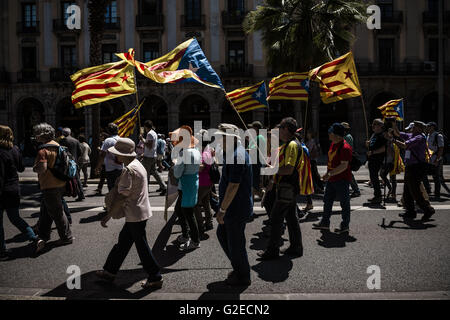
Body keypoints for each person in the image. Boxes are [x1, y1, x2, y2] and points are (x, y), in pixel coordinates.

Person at [96, 138, 163, 289]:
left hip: (134, 214)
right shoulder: (138, 164)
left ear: (123, 155)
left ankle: (155, 276)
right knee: (124, 242)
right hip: (141, 211)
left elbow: (121, 196)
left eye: (117, 154)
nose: (115, 157)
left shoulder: (128, 170)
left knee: (141, 247)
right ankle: (110, 271)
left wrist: (108, 215)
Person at [258, 117, 303, 260]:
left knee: (276, 219)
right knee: (291, 218)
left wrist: (273, 169)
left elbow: (289, 169)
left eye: (280, 129)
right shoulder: (291, 144)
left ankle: (272, 251)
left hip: (287, 186)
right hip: (288, 186)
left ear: (285, 129)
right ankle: (296, 247)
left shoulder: (292, 145)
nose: (278, 132)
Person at [215, 123, 253, 286]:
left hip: (235, 208)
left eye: (220, 137)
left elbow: (233, 185)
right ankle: (239, 267)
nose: (218, 141)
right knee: (223, 234)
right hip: (235, 206)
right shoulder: (233, 153)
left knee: (235, 243)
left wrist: (222, 209)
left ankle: (243, 276)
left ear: (229, 138)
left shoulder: (236, 155)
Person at [0, 125, 44, 260]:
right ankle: (34, 238)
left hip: (3, 191)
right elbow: (21, 168)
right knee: (15, 218)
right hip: (14, 189)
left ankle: (2, 251)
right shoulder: (15, 149)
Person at [32, 123, 73, 249]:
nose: (35, 136)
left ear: (41, 135)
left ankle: (66, 237)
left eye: (36, 133)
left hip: (49, 185)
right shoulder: (58, 146)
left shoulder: (43, 150)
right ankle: (43, 234)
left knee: (57, 213)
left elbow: (42, 169)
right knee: (46, 211)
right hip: (60, 183)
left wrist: (35, 168)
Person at [313, 123, 352, 234]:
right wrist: (327, 174)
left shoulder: (345, 147)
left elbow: (344, 165)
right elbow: (331, 163)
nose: (329, 134)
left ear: (338, 135)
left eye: (331, 132)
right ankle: (325, 223)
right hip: (332, 179)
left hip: (342, 180)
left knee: (344, 203)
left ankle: (345, 225)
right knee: (327, 201)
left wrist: (329, 174)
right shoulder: (333, 144)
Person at [392, 121, 435, 221]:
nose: (412, 128)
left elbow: (404, 145)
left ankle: (427, 209)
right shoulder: (412, 135)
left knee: (415, 191)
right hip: (410, 167)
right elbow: (398, 133)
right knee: (407, 190)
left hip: (416, 167)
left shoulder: (419, 137)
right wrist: (394, 124)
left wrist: (393, 140)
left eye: (414, 127)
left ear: (420, 128)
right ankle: (410, 212)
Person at [172, 125, 201, 251]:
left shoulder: (184, 153)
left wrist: (174, 167)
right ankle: (186, 235)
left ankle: (195, 240)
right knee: (179, 210)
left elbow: (177, 173)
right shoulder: (196, 150)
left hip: (185, 185)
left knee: (188, 213)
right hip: (192, 183)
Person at [193, 129, 214, 234]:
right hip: (207, 182)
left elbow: (201, 168)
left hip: (203, 182)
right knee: (206, 202)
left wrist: (190, 166)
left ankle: (200, 225)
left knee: (195, 204)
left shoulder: (204, 152)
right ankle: (209, 222)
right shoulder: (207, 150)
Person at [140, 120, 166, 195]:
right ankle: (164, 187)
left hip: (148, 157)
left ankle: (145, 190)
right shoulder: (153, 133)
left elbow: (149, 145)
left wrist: (142, 139)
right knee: (155, 173)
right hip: (152, 155)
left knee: (146, 174)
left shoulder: (150, 134)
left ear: (145, 126)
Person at [95, 123, 123, 192]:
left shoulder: (108, 141)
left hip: (111, 169)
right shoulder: (121, 139)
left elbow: (102, 155)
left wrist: (98, 167)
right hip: (120, 168)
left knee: (112, 189)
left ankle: (113, 202)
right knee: (119, 189)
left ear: (109, 131)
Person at [365, 119, 387, 204]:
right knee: (373, 178)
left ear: (380, 126)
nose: (373, 126)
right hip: (371, 159)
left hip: (377, 159)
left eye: (375, 124)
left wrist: (373, 152)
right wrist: (368, 144)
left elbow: (384, 148)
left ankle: (378, 196)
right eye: (373, 124)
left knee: (374, 178)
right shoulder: (374, 134)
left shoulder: (382, 135)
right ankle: (376, 195)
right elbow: (371, 144)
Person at [60, 127, 85, 201]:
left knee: (62, 178)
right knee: (77, 179)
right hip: (74, 162)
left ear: (63, 134)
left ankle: (62, 194)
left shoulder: (62, 141)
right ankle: (81, 194)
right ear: (70, 133)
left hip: (65, 163)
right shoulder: (76, 141)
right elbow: (80, 152)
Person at [424, 122, 445, 200]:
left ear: (432, 127)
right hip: (428, 159)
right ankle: (428, 189)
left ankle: (437, 194)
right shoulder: (428, 135)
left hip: (436, 159)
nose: (427, 128)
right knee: (424, 174)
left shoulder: (438, 136)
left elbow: (441, 148)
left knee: (436, 177)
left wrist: (437, 159)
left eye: (428, 126)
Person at [248, 121, 267, 200]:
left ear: (256, 128)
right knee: (253, 187)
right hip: (254, 164)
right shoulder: (256, 138)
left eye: (252, 128)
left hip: (257, 165)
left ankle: (268, 200)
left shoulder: (259, 137)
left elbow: (252, 150)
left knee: (254, 187)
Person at [341, 122, 361, 198]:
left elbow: (346, 148)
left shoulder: (347, 137)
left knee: (349, 174)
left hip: (347, 158)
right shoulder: (345, 136)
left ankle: (356, 190)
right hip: (345, 157)